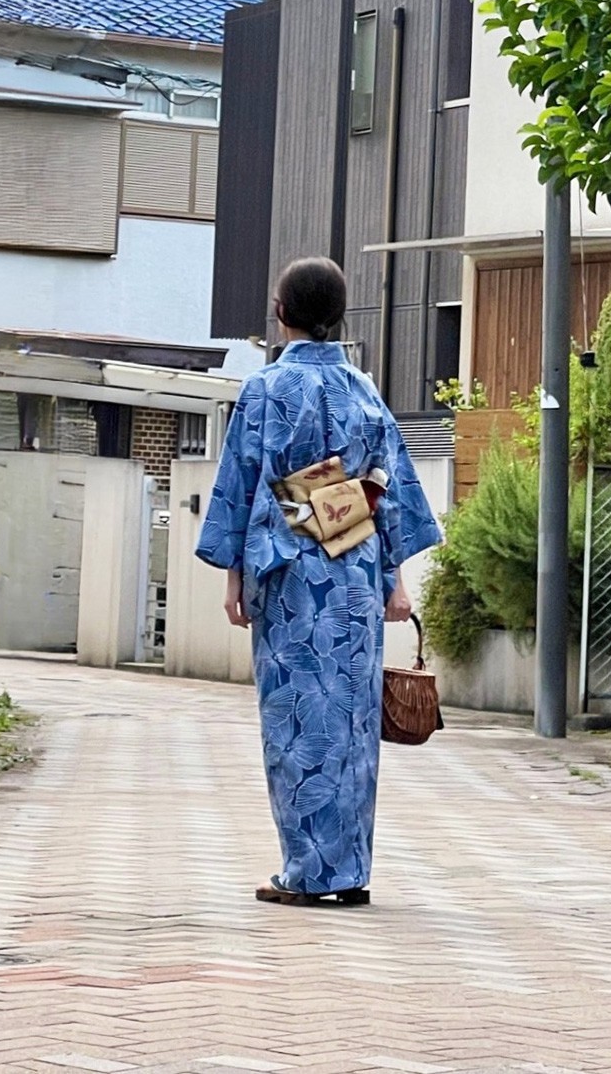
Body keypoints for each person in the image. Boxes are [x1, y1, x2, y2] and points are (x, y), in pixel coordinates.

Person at [196, 257, 441, 908]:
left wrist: (234, 575)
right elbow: (386, 493)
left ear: (281, 314)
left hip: (288, 572)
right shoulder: (365, 391)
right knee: (353, 726)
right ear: (338, 318)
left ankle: (307, 872)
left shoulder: (266, 391)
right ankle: (350, 870)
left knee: (297, 721)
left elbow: (241, 483)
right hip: (356, 570)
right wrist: (393, 579)